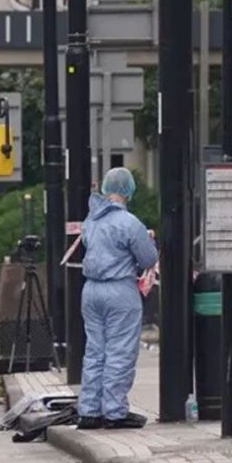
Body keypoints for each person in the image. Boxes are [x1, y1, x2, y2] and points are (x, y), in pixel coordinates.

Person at [76, 167, 159, 430]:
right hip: (119, 291)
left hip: (90, 291)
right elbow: (148, 259)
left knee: (95, 351)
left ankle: (89, 411)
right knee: (119, 351)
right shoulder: (130, 223)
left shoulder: (91, 221)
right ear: (128, 191)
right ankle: (114, 412)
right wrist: (148, 240)